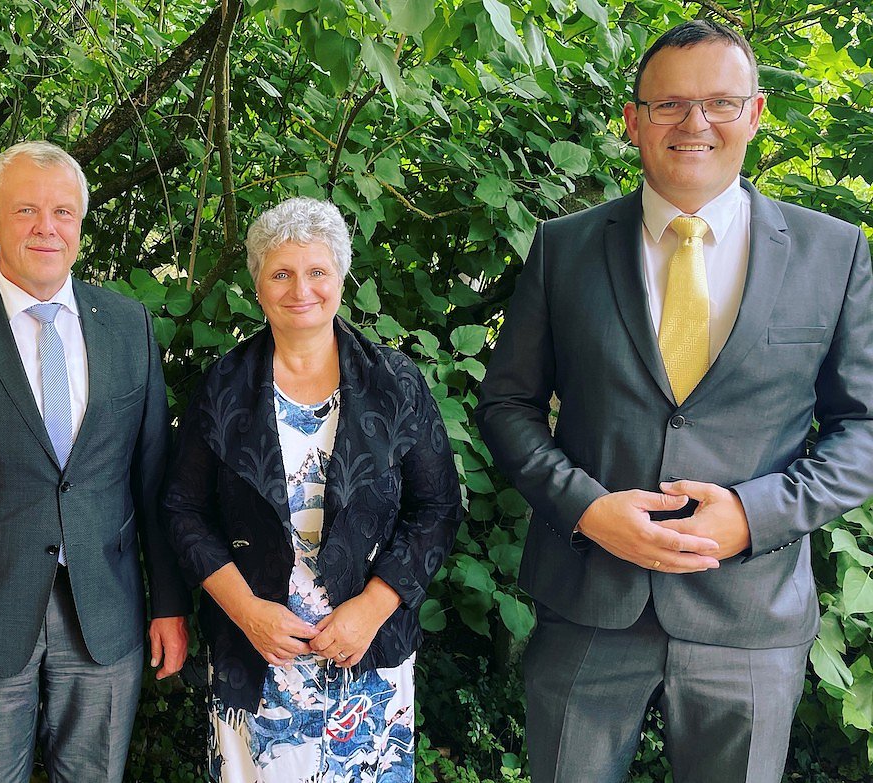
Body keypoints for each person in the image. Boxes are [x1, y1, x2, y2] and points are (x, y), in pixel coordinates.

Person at [477, 20, 873, 783]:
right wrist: (588, 509)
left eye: (721, 102)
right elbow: (506, 406)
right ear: (633, 121)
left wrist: (753, 515)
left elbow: (863, 429)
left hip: (750, 617)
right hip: (589, 603)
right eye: (669, 105)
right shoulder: (564, 247)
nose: (695, 123)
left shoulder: (833, 253)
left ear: (755, 114)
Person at [0, 140, 191, 783]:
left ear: (80, 224)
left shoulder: (129, 325)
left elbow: (153, 481)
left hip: (105, 616)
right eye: (26, 210)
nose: (46, 227)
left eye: (62, 212)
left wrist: (169, 603)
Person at [164, 197, 462, 782]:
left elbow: (437, 508)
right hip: (257, 651)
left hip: (367, 651)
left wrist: (373, 608)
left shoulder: (395, 382)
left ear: (341, 278)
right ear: (258, 287)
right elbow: (183, 510)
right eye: (281, 273)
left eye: (317, 271)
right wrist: (247, 611)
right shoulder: (223, 386)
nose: (301, 289)